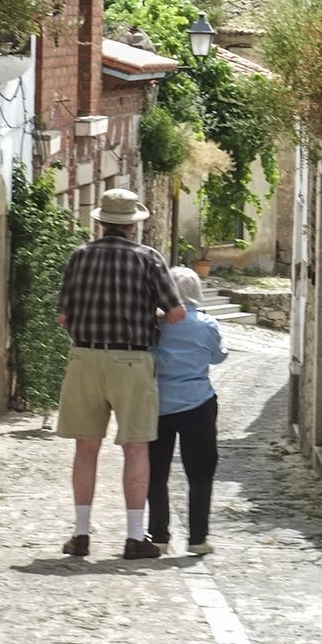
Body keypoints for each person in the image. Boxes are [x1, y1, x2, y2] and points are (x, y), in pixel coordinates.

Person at [54, 187, 185, 561]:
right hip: (131, 361)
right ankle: (132, 537)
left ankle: (80, 535)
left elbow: (63, 316)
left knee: (85, 447)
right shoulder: (148, 258)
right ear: (133, 226)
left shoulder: (79, 256)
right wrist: (150, 315)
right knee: (136, 447)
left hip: (84, 357)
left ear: (100, 222)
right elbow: (176, 313)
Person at [148, 266, 228, 556]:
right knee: (201, 471)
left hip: (159, 402)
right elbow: (219, 356)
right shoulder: (207, 325)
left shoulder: (154, 324)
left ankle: (158, 535)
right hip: (198, 402)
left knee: (156, 472)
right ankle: (197, 538)